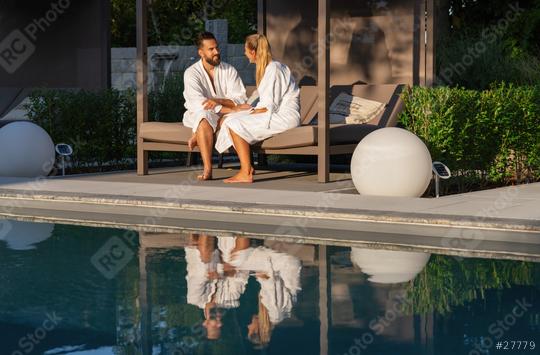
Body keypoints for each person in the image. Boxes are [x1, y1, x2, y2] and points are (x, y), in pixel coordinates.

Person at [215, 34, 301, 183]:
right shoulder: (270, 68)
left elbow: (268, 107)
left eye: (245, 50)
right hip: (277, 114)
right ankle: (248, 167)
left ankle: (246, 171)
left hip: (284, 118)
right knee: (230, 119)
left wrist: (246, 112)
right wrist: (242, 111)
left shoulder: (273, 69)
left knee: (234, 124)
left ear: (253, 52)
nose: (244, 53)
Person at [183, 32, 249, 181]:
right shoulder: (191, 73)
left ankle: (197, 136)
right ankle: (208, 168)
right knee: (203, 117)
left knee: (240, 114)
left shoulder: (229, 70)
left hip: (227, 114)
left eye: (217, 48)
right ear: (201, 52)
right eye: (211, 49)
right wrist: (229, 108)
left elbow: (240, 98)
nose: (217, 52)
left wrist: (219, 101)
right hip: (199, 113)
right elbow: (199, 103)